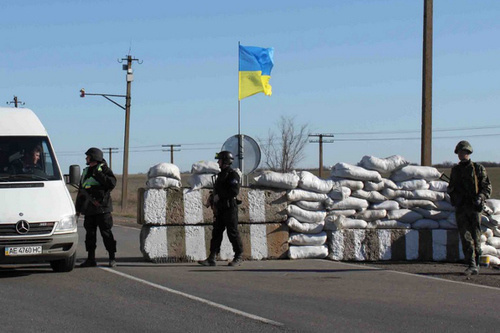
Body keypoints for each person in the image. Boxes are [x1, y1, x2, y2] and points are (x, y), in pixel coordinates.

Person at [447, 140, 492, 276]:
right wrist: (454, 195)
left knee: (476, 236)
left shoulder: (478, 168)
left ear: (469, 153)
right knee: (465, 237)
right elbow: (451, 187)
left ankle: (477, 262)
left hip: (474, 206)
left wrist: (480, 197)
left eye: (464, 152)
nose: (462, 154)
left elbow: (486, 186)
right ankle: (471, 264)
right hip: (461, 207)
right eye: (460, 152)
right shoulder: (455, 170)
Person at [198, 151, 243, 267]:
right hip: (220, 208)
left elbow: (234, 191)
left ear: (225, 161)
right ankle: (212, 257)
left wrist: (220, 195)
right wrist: (212, 198)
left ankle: (238, 256)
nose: (218, 162)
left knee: (232, 232)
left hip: (229, 208)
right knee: (216, 232)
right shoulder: (220, 175)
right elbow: (219, 190)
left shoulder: (233, 175)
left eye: (220, 160)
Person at [75, 147, 118, 268]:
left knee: (106, 234)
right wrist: (77, 209)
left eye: (88, 156)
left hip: (102, 209)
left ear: (94, 157)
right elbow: (81, 191)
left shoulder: (103, 169)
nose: (86, 158)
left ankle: (112, 258)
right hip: (89, 209)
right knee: (90, 235)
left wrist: (98, 174)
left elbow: (111, 183)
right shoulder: (85, 171)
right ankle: (90, 259)